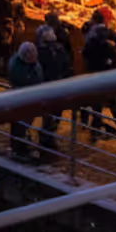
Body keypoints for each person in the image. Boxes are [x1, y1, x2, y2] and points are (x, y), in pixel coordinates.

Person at [80, 12, 116, 139]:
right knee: (113, 103)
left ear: (94, 20)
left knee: (94, 102)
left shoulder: (92, 36)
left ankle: (90, 127)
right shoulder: (111, 34)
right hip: (110, 74)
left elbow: (85, 53)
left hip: (94, 72)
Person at [35, 25, 74, 156]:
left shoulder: (56, 49)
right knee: (51, 114)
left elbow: (66, 64)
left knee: (54, 114)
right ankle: (47, 138)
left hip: (55, 85)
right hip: (51, 86)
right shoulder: (44, 50)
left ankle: (48, 136)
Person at [6, 42, 44, 160]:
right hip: (20, 99)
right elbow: (18, 79)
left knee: (24, 123)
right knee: (18, 124)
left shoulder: (32, 64)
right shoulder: (17, 64)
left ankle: (21, 144)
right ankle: (18, 147)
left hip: (30, 98)